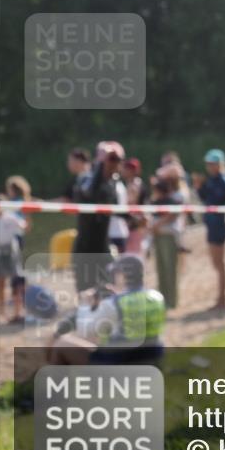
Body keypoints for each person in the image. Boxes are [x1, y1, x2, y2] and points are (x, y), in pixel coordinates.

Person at [48, 255, 165, 366]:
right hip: (151, 357)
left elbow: (85, 330)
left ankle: (56, 385)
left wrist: (85, 304)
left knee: (62, 344)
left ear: (122, 275)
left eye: (115, 273)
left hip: (120, 361)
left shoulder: (113, 303)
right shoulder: (157, 297)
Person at [68, 143, 123, 293]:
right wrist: (101, 165)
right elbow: (89, 193)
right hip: (85, 247)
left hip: (103, 246)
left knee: (108, 290)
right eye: (109, 160)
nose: (112, 164)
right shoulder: (86, 178)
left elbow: (117, 210)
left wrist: (135, 220)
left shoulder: (112, 183)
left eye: (116, 160)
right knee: (86, 292)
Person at [193, 149, 225, 310]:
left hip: (218, 225)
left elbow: (218, 198)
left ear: (219, 165)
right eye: (208, 164)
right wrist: (199, 187)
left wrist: (204, 187)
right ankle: (221, 298)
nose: (209, 166)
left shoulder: (223, 180)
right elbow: (205, 198)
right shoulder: (213, 180)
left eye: (212, 164)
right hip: (211, 224)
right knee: (216, 263)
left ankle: (222, 298)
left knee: (219, 263)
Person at [149, 163, 186, 309]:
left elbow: (173, 214)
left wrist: (157, 225)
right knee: (161, 268)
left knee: (170, 269)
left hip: (169, 235)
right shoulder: (163, 195)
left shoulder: (178, 194)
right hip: (159, 234)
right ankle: (163, 299)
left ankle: (171, 301)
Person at [0, 196, 26, 323]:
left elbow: (24, 227)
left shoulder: (10, 217)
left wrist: (26, 214)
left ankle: (18, 312)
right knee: (0, 283)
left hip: (11, 252)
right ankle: (2, 312)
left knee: (17, 282)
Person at [120, 158, 148, 255]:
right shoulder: (133, 183)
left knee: (133, 251)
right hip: (135, 222)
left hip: (134, 222)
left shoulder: (134, 185)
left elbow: (130, 203)